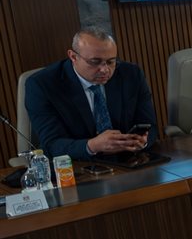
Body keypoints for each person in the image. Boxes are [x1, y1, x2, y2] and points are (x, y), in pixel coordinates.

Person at [25, 27, 157, 160]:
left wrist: (143, 141)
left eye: (111, 61)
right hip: (76, 164)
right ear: (73, 57)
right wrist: (93, 146)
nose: (105, 70)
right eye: (95, 62)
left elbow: (149, 125)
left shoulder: (131, 74)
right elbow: (52, 144)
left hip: (129, 159)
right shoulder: (42, 85)